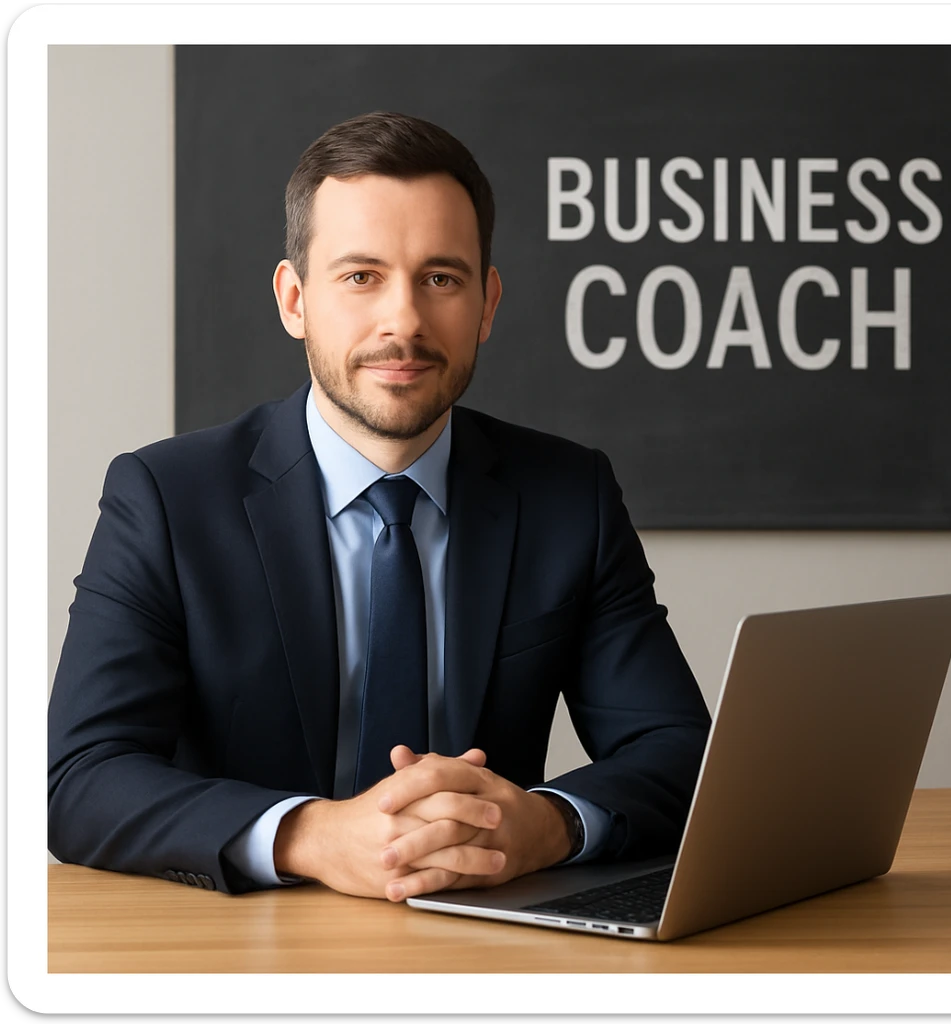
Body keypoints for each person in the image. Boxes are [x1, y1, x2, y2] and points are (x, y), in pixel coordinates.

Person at [47, 111, 711, 902]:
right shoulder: (164, 498)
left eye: (441, 279)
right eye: (361, 277)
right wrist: (310, 836)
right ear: (295, 300)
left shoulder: (569, 496)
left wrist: (549, 824)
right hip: (245, 942)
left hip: (486, 933)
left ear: (488, 304)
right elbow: (80, 778)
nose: (405, 322)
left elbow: (680, 753)